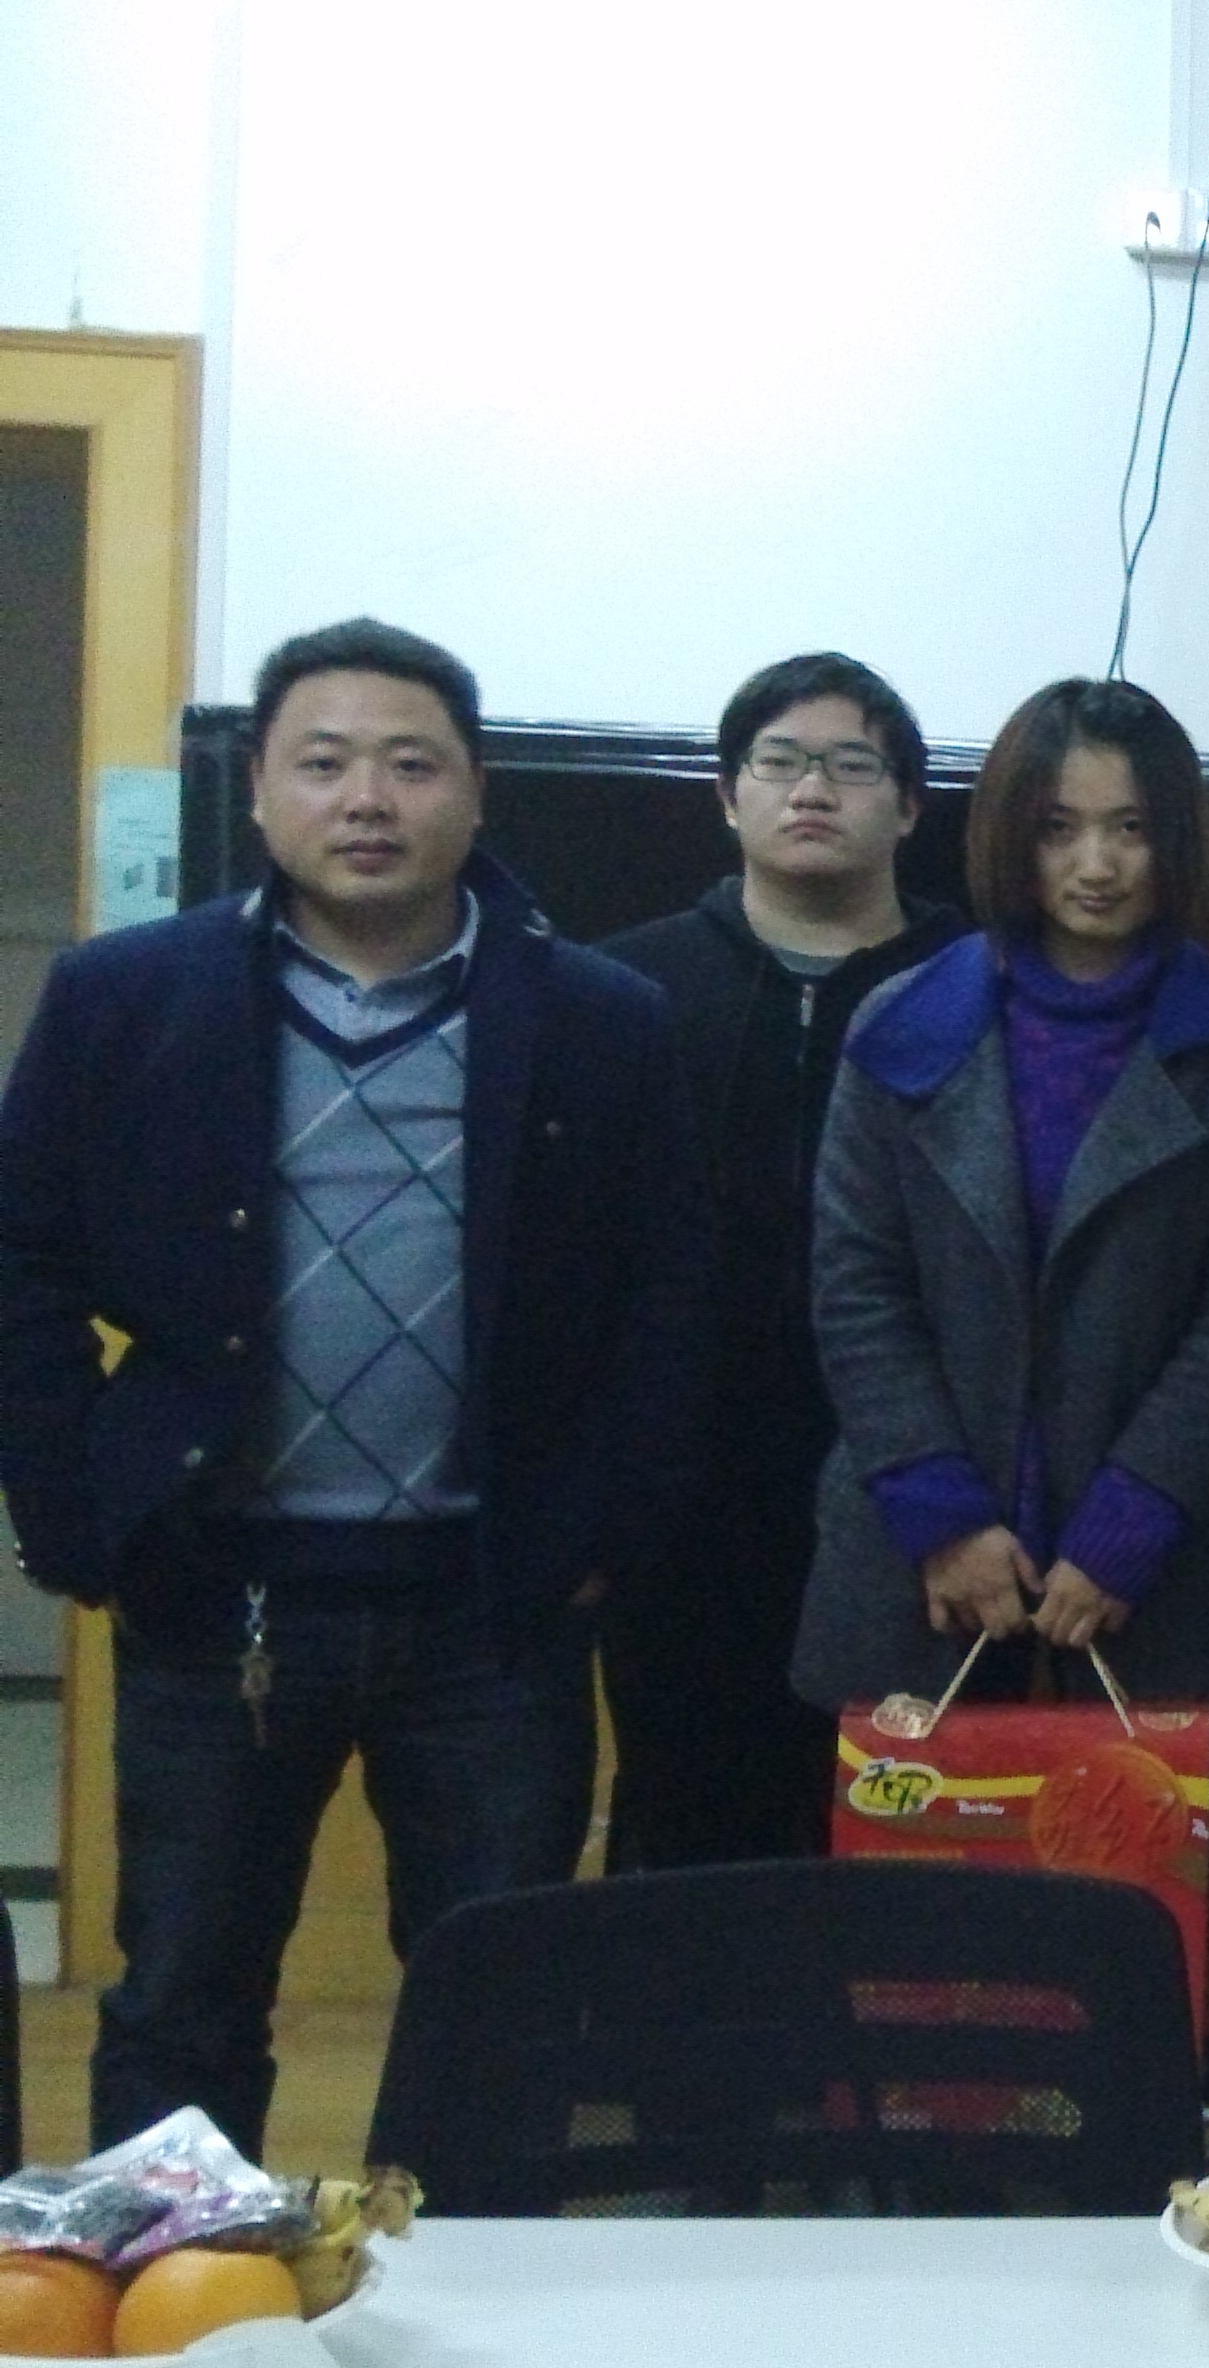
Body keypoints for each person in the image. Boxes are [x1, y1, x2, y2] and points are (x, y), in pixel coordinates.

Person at [0, 619, 705, 2154]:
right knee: (182, 1997)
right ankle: (183, 2278)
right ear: (261, 790)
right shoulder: (125, 997)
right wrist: (67, 1511)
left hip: (493, 1606)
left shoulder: (600, 1019)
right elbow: (25, 1262)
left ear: (476, 792)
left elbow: (667, 1301)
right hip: (215, 1594)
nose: (367, 799)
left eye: (410, 764)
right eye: (323, 764)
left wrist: (607, 1535)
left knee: (504, 2016)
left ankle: (459, 2276)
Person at [787, 678, 1209, 1720]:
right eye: (1057, 828)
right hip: (918, 1552)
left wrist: (1133, 1520)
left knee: (1139, 1831)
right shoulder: (902, 1025)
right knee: (921, 1832)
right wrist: (941, 1513)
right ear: (1010, 834)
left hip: (1165, 1563)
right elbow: (858, 1289)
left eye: (1131, 828)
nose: (1096, 864)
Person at [596, 651, 963, 1871]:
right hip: (684, 1478)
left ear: (908, 806)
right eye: (781, 762)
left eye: (852, 765)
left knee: (903, 1815)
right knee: (684, 1811)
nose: (813, 789)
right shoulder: (625, 988)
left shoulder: (976, 990)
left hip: (920, 1473)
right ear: (728, 793)